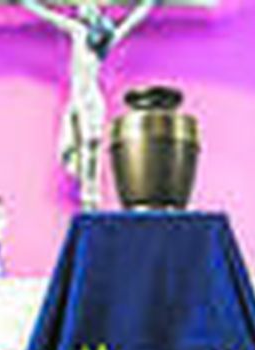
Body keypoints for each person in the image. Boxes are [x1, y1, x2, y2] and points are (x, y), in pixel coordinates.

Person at [16, 0, 159, 209]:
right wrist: (27, 5)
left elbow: (130, 23)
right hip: (77, 99)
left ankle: (91, 196)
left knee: (92, 146)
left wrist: (147, 5)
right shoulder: (77, 32)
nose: (82, 10)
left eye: (89, 8)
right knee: (79, 146)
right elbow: (51, 17)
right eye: (81, 7)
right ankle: (88, 194)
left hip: (91, 99)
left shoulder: (103, 40)